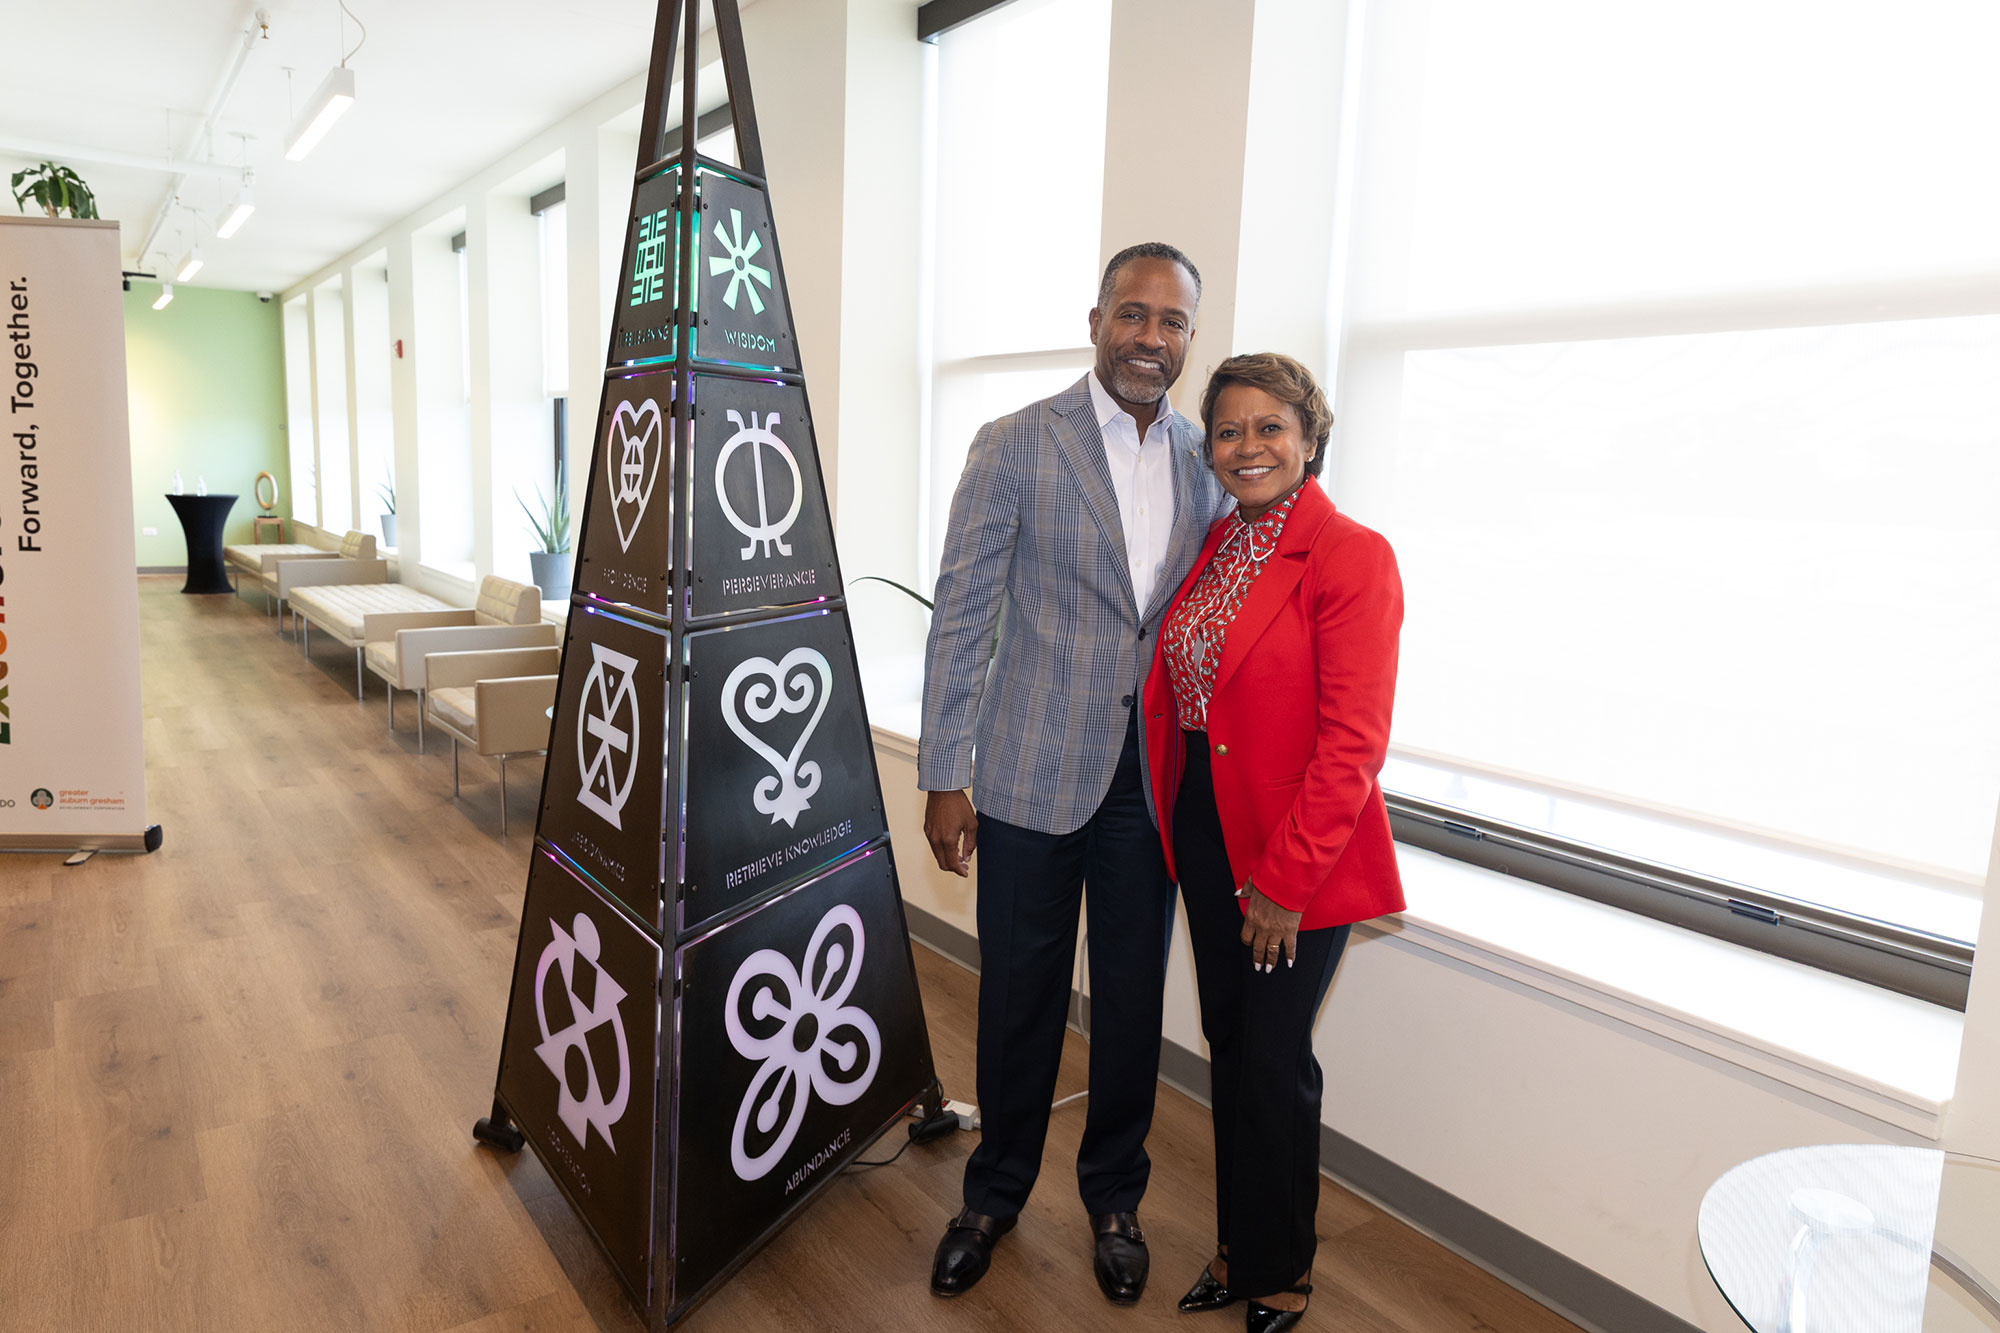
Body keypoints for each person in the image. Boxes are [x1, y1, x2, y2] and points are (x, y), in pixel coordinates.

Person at [918, 242, 1227, 1305]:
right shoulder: (1014, 444)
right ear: (1093, 320)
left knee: (1132, 1001)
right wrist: (943, 771)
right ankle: (992, 1194)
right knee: (1017, 998)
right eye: (1132, 315)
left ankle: (1114, 1198)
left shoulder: (1206, 461)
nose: (1151, 338)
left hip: (1149, 785)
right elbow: (960, 614)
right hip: (1024, 774)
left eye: (1172, 322)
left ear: (1191, 336)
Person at [1139, 353, 1404, 1332]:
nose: (1247, 446)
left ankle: (1281, 1268)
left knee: (1272, 1059)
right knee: (1230, 1042)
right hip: (1209, 830)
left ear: (1308, 437)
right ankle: (1237, 1243)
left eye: (1268, 428)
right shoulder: (1221, 545)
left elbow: (1351, 745)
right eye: (1227, 430)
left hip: (1298, 851)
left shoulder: (1350, 556)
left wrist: (1281, 883)